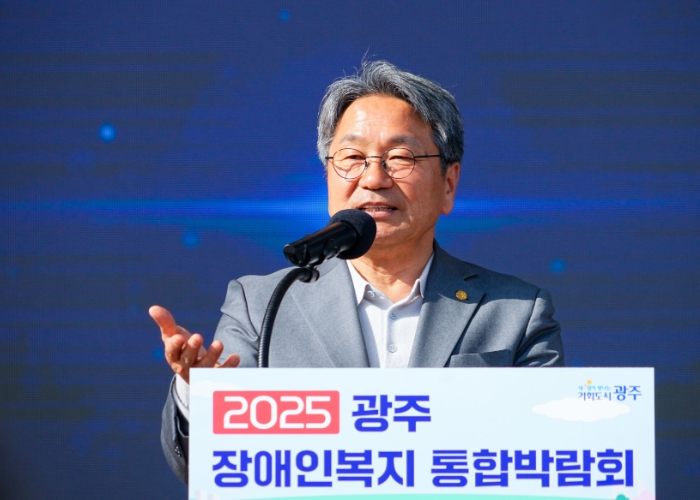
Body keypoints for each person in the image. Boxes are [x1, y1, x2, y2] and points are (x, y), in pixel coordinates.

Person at [150, 60, 564, 483]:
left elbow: (548, 459)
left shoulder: (515, 312)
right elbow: (206, 468)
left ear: (448, 184)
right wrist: (201, 398)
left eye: (400, 157)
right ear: (328, 176)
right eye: (352, 157)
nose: (374, 178)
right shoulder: (262, 305)